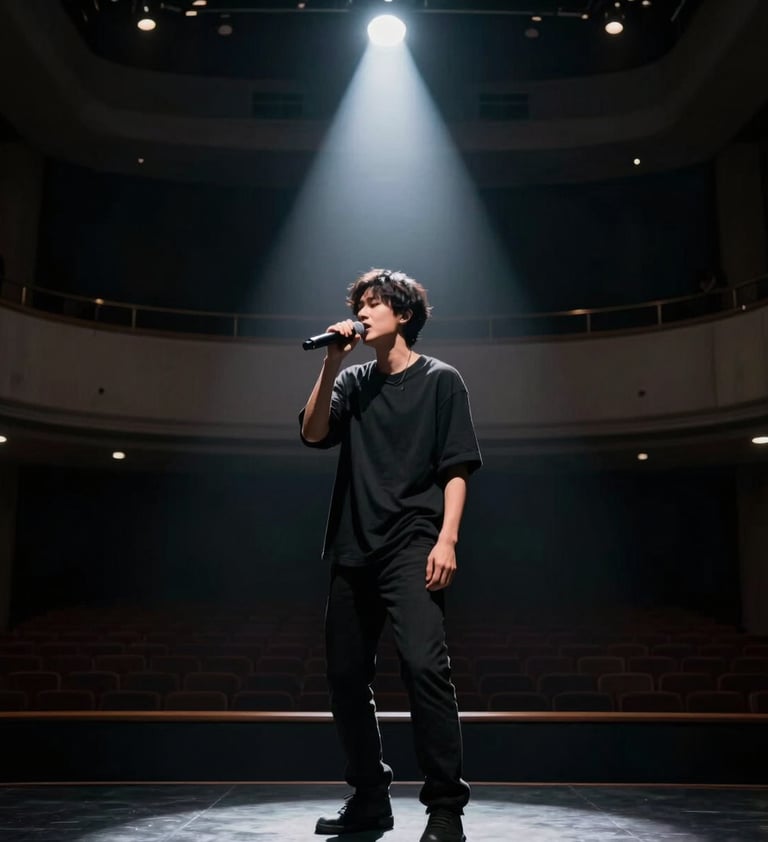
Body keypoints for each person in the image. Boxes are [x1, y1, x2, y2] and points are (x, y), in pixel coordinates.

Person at [299, 268, 482, 842]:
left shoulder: (442, 381)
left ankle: (445, 807)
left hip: (414, 545)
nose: (364, 310)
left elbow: (456, 469)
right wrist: (330, 361)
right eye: (360, 303)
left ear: (403, 316)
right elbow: (311, 433)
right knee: (345, 677)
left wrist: (447, 539)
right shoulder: (352, 381)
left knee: (427, 668)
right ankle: (370, 797)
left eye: (375, 303)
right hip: (354, 549)